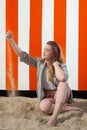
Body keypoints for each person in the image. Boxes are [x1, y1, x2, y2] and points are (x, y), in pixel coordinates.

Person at [6, 31, 81, 126]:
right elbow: (23, 56)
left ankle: (54, 118)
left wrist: (55, 65)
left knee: (63, 84)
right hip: (47, 95)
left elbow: (62, 78)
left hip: (61, 94)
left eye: (47, 50)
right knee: (44, 107)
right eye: (44, 49)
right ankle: (65, 108)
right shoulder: (40, 63)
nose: (44, 51)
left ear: (54, 53)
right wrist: (11, 39)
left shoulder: (61, 65)